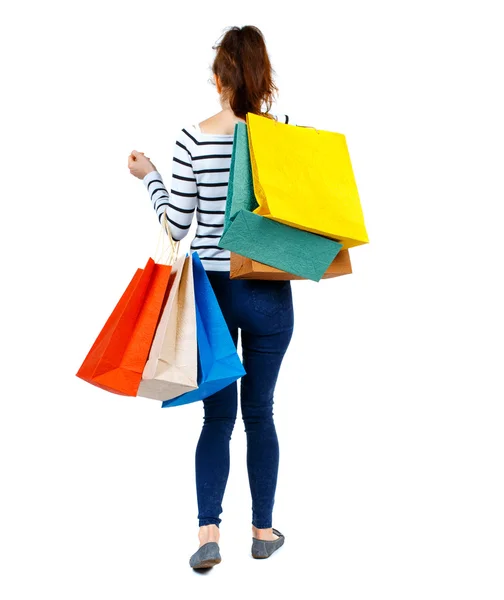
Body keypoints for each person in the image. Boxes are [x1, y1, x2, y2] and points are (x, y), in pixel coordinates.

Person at [128, 25, 296, 569]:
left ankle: (207, 538)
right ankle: (263, 532)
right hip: (269, 294)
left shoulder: (193, 138)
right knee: (262, 414)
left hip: (215, 300)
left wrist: (150, 175)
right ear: (261, 77)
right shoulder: (282, 138)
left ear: (220, 76)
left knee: (217, 420)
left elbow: (177, 228)